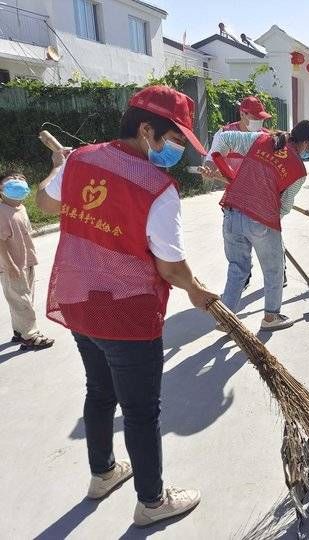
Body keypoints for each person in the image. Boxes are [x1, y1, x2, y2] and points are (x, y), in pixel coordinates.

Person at [35, 85, 218, 527]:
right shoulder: (158, 187)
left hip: (80, 301)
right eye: (174, 141)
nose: (176, 152)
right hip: (128, 313)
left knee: (99, 391)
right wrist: (196, 290)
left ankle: (102, 474)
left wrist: (59, 168)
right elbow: (170, 266)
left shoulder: (82, 159)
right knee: (140, 411)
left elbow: (43, 202)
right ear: (146, 130)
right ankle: (152, 502)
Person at [206, 120, 309, 332]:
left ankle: (226, 318)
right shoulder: (298, 171)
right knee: (274, 269)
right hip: (261, 221)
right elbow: (285, 206)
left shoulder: (259, 139)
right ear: (306, 143)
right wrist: (270, 229)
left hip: (232, 213)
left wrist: (213, 161)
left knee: (237, 268)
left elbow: (223, 138)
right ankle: (271, 317)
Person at [0, 172, 54, 350]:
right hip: (12, 266)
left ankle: (19, 331)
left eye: (22, 179)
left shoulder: (20, 208)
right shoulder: (2, 211)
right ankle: (30, 336)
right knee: (21, 301)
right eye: (12, 180)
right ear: (1, 188)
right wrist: (10, 265)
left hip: (26, 262)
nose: (18, 182)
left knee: (23, 299)